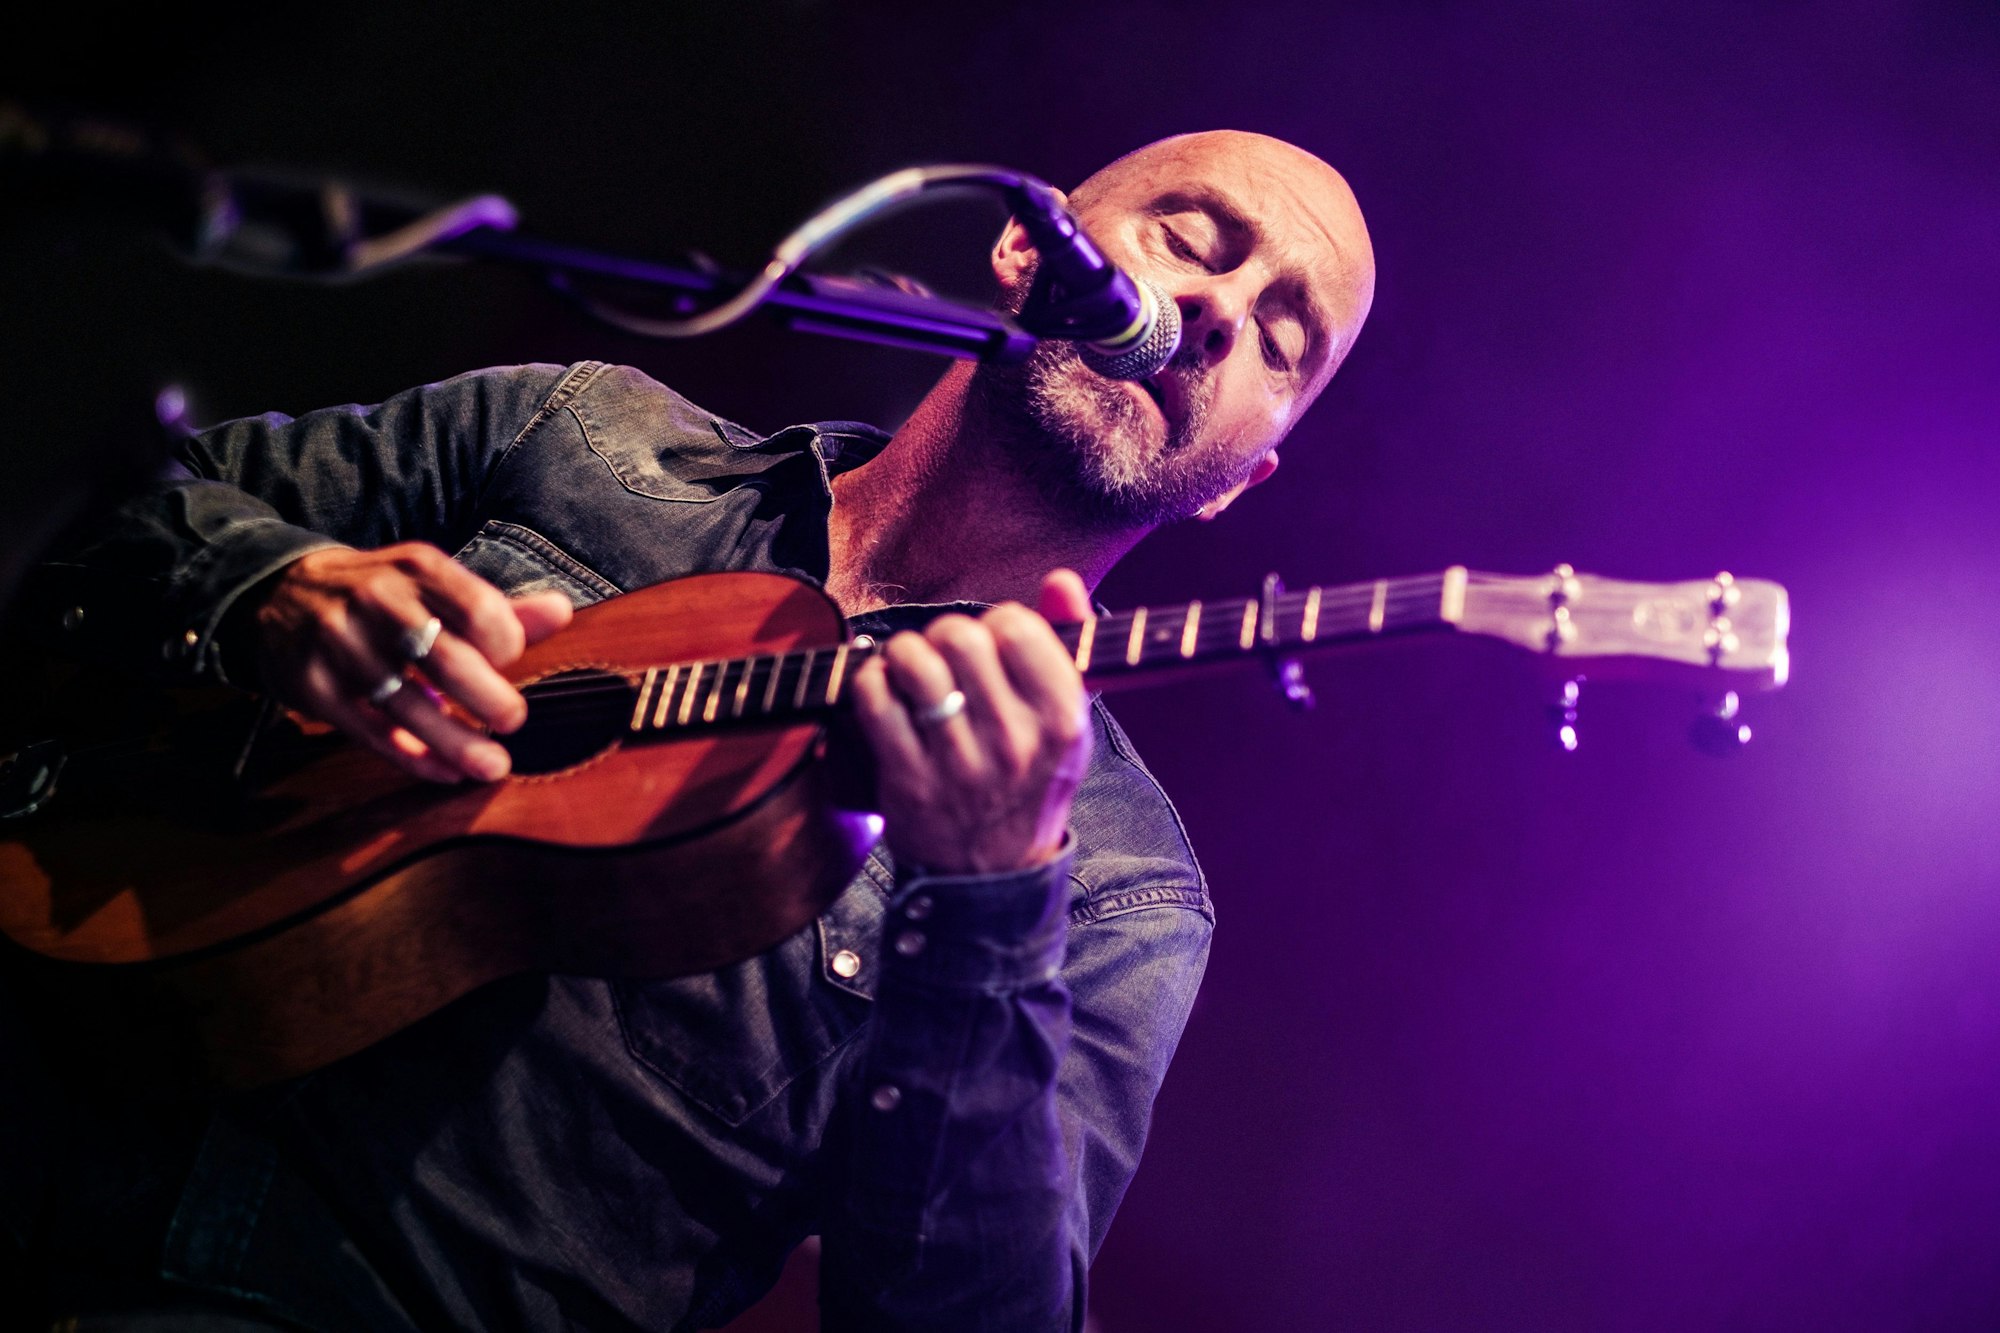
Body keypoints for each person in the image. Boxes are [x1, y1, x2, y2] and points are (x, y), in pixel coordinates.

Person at [8, 129, 1374, 1330]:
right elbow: (81, 508)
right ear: (1028, 245)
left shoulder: (1118, 887)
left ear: (1240, 482)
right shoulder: (586, 434)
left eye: (1280, 338)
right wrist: (269, 590)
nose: (1213, 308)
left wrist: (991, 905)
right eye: (1193, 240)